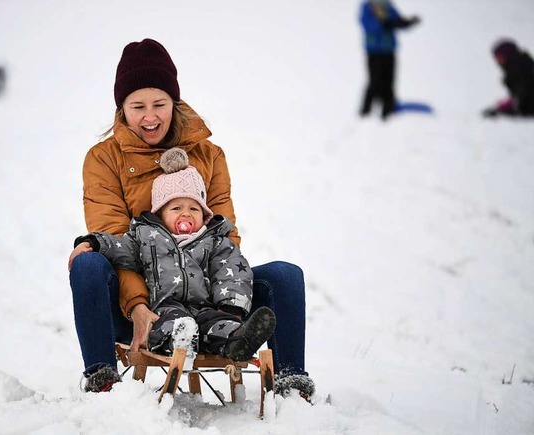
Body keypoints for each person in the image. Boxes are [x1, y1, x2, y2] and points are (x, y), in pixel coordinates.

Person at [68, 38, 314, 399]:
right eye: (137, 106)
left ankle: (291, 385)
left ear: (175, 102)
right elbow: (116, 240)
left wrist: (226, 302)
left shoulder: (209, 155)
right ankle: (102, 379)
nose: (150, 117)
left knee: (285, 276)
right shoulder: (103, 159)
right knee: (89, 264)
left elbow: (224, 236)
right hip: (142, 299)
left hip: (207, 297)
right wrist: (138, 306)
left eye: (159, 104)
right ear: (122, 108)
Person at [70, 147, 277, 393]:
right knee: (173, 325)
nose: (186, 214)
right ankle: (181, 341)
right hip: (165, 309)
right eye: (176, 208)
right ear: (160, 213)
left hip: (207, 309)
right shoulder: (147, 238)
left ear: (204, 214)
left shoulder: (215, 241)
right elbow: (119, 247)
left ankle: (238, 340)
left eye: (193, 208)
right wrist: (93, 242)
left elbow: (233, 270)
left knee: (221, 325)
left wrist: (230, 307)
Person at [358, 0, 420, 120]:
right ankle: (365, 112)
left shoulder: (388, 6)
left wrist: (407, 23)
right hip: (374, 52)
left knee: (389, 80)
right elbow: (367, 24)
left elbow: (397, 20)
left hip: (388, 51)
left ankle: (389, 109)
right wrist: (384, 23)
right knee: (375, 81)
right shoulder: (367, 7)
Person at [482, 38, 534, 118]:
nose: (497, 61)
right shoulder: (516, 68)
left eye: (500, 57)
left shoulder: (521, 69)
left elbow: (526, 94)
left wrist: (508, 108)